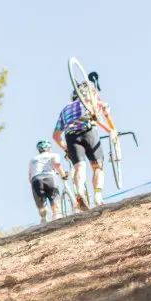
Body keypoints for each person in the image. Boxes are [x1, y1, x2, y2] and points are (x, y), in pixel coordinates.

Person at [52, 81, 111, 209]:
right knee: (97, 167)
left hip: (71, 136)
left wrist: (66, 148)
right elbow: (100, 114)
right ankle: (97, 196)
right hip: (88, 131)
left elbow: (56, 136)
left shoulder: (65, 110)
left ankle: (80, 193)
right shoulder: (89, 100)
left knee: (79, 168)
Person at [29, 140, 68, 224]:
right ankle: (57, 219)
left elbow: (30, 178)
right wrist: (63, 175)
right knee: (54, 201)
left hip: (35, 179)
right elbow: (57, 165)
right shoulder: (53, 155)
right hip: (50, 177)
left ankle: (44, 218)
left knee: (41, 206)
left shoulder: (33, 159)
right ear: (49, 149)